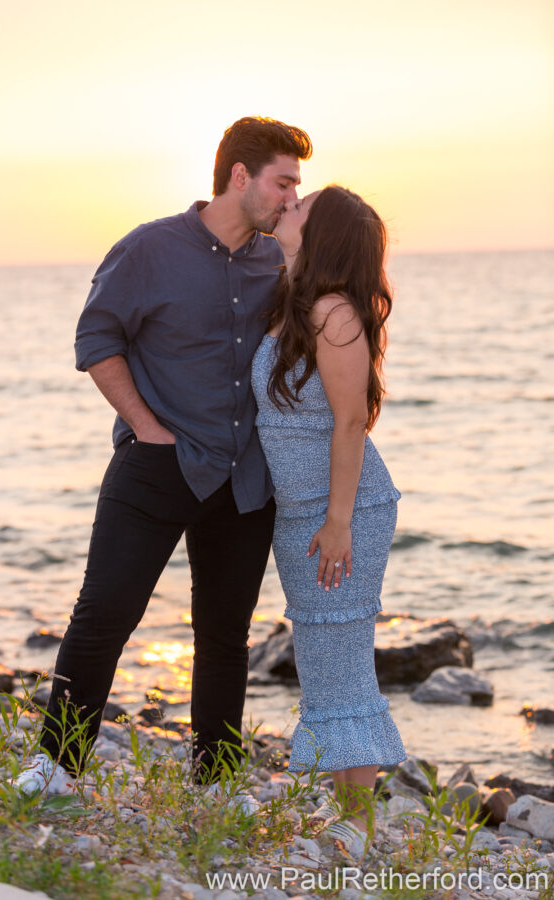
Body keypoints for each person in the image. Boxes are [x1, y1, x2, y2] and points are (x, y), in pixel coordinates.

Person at [15, 116, 312, 796]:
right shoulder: (149, 248)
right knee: (105, 614)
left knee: (225, 636)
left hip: (245, 478)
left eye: (296, 185)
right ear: (240, 176)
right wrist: (146, 426)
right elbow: (96, 339)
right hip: (157, 464)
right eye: (284, 182)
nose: (293, 198)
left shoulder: (278, 259)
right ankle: (56, 766)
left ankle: (215, 780)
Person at [251, 186, 407, 844]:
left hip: (343, 511)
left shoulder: (334, 312)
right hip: (304, 515)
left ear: (326, 236)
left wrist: (339, 520)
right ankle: (348, 816)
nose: (287, 206)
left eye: (301, 206)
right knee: (322, 660)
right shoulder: (294, 305)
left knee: (343, 660)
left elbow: (349, 421)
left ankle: (360, 827)